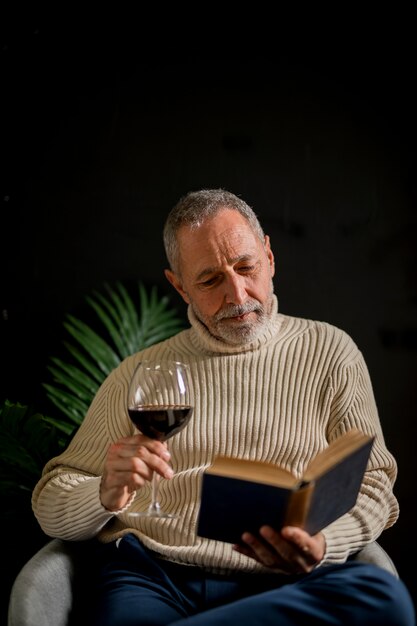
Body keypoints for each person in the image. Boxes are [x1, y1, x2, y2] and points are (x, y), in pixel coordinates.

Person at [32, 188, 415, 625]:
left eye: (246, 267)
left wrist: (324, 542)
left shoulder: (331, 352)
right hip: (156, 578)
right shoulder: (139, 373)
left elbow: (374, 485)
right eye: (210, 280)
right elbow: (51, 500)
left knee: (386, 597)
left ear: (269, 256)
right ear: (179, 286)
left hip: (288, 579)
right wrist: (103, 493)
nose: (236, 294)